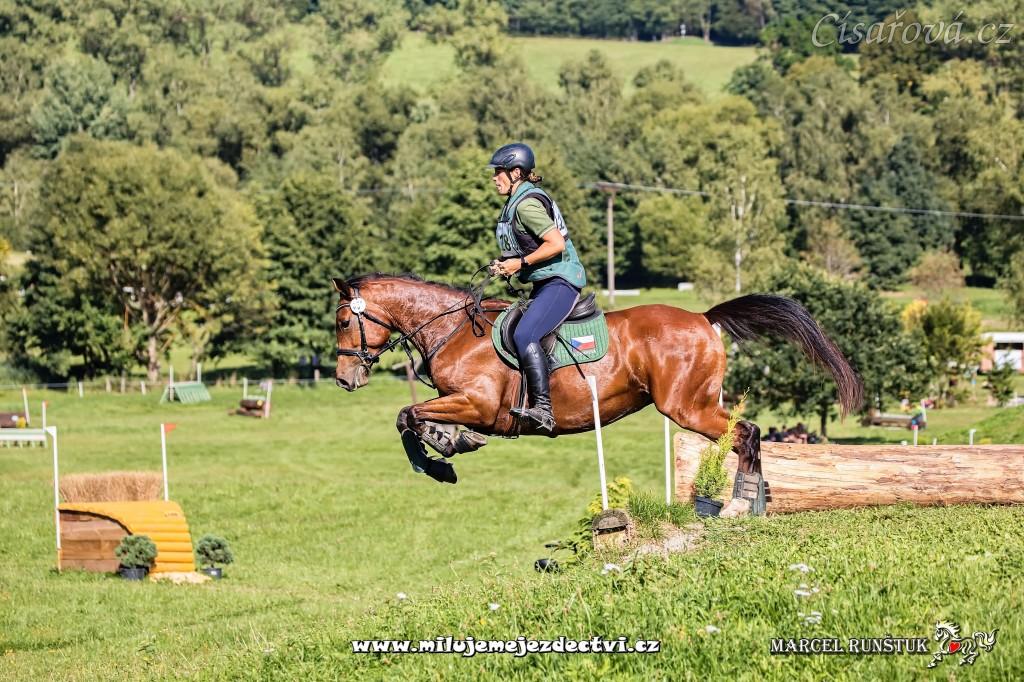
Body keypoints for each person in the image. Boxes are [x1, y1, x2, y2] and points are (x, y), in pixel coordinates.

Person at [487, 142, 587, 434]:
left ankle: (543, 409)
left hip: (560, 281)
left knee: (525, 334)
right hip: (544, 283)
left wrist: (520, 263)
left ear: (516, 172)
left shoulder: (526, 204)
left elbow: (555, 244)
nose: (494, 177)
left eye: (499, 171)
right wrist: (505, 264)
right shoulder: (515, 202)